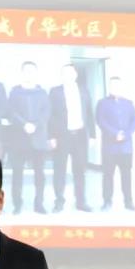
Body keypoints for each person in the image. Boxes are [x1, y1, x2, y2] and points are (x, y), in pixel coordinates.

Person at [48, 64, 95, 213]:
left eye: (70, 72)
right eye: (64, 73)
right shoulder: (55, 92)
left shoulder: (84, 90)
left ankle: (81, 201)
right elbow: (50, 115)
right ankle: (59, 201)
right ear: (61, 76)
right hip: (62, 136)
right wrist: (51, 136)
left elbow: (89, 113)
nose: (67, 75)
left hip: (80, 135)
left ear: (75, 74)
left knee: (80, 170)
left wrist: (92, 135)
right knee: (59, 170)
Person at [6, 61, 51, 214]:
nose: (29, 74)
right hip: (19, 139)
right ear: (22, 73)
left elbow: (46, 112)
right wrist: (24, 124)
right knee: (17, 173)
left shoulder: (42, 93)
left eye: (32, 71)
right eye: (26, 71)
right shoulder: (15, 92)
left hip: (38, 139)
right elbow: (11, 112)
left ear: (36, 73)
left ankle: (39, 204)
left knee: (40, 174)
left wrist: (35, 125)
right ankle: (17, 204)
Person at [95, 76, 135, 211]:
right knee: (108, 175)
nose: (115, 88)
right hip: (109, 147)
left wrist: (126, 134)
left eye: (117, 85)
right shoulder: (102, 103)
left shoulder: (129, 103)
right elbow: (101, 121)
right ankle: (107, 202)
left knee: (126, 175)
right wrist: (115, 133)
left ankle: (128, 202)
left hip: (126, 147)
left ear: (121, 87)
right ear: (109, 87)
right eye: (113, 85)